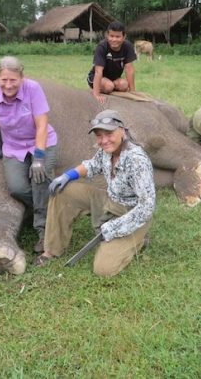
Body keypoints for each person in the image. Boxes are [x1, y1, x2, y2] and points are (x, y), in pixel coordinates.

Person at [34, 109, 155, 277]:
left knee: (103, 269)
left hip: (131, 213)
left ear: (122, 131)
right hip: (110, 200)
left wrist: (113, 228)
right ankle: (51, 250)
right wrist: (68, 175)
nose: (104, 140)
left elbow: (147, 207)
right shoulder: (107, 151)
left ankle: (139, 240)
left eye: (109, 134)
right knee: (63, 191)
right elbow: (92, 164)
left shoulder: (137, 160)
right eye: (99, 135)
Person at [0, 56, 58, 253]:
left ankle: (44, 231)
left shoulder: (33, 89)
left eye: (13, 80)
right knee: (17, 187)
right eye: (4, 80)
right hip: (14, 146)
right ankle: (52, 208)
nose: (8, 85)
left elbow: (41, 124)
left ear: (21, 78)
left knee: (39, 179)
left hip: (41, 142)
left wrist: (39, 158)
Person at [87, 21, 137, 104]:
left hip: (114, 79)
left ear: (124, 37)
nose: (114, 39)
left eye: (118, 36)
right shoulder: (102, 46)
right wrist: (96, 94)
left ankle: (111, 86)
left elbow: (129, 69)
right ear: (107, 35)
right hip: (97, 77)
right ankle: (106, 87)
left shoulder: (127, 46)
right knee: (108, 86)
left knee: (124, 85)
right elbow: (98, 71)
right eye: (111, 36)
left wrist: (133, 92)